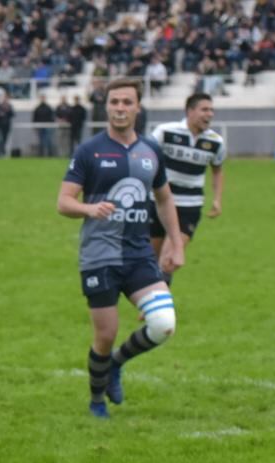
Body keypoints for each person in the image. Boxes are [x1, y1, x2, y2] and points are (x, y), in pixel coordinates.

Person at [56, 77, 184, 420]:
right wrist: (88, 209)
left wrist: (175, 242)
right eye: (114, 102)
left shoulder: (150, 151)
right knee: (106, 334)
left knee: (163, 324)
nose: (120, 108)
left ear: (137, 108)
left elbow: (165, 198)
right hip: (99, 255)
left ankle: (115, 365)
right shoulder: (89, 151)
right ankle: (97, 400)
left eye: (127, 102)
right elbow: (64, 202)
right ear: (106, 106)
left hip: (139, 252)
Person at [149, 92, 226, 280]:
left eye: (211, 110)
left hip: (189, 206)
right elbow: (143, 158)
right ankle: (152, 306)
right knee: (151, 261)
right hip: (156, 203)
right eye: (204, 109)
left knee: (168, 261)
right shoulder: (165, 132)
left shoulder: (216, 142)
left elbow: (217, 170)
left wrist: (217, 199)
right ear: (189, 111)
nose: (210, 114)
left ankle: (151, 310)